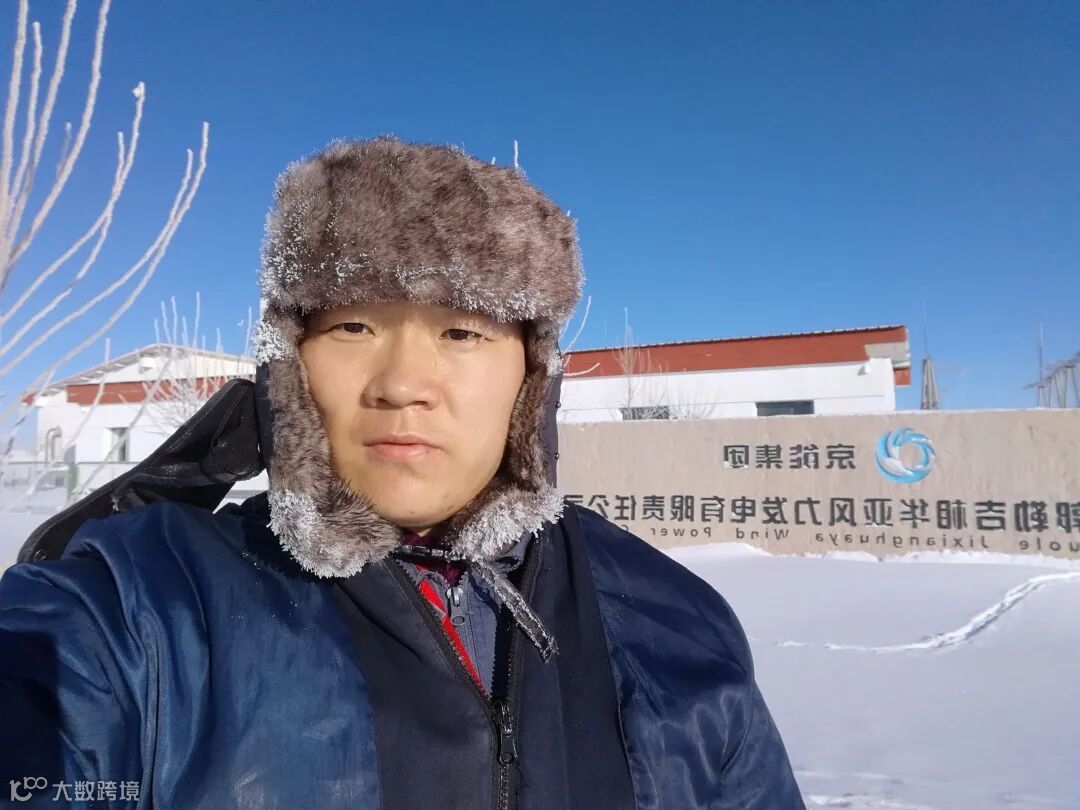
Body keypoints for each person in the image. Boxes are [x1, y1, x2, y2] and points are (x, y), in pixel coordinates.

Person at [0, 136, 804, 809]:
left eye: (462, 333)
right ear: (288, 366)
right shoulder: (137, 611)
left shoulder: (673, 620)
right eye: (352, 326)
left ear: (532, 381)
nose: (401, 384)